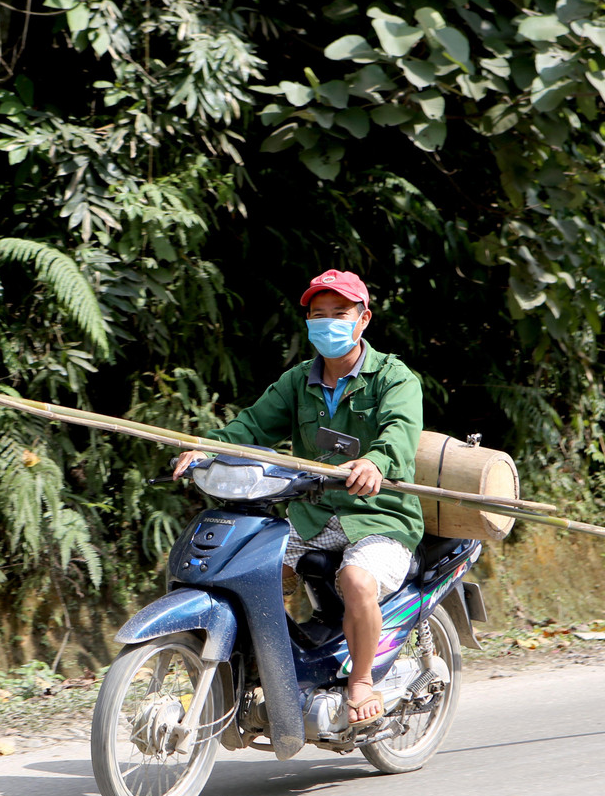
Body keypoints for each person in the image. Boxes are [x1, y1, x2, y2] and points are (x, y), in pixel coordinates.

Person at [172, 269, 424, 727]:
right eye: (318, 314)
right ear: (307, 321)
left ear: (363, 318)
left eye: (340, 314)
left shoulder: (394, 378)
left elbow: (399, 436)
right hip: (311, 515)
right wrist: (207, 448)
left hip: (379, 516)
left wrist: (375, 464)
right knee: (254, 571)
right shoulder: (297, 382)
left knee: (356, 581)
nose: (328, 322)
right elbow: (247, 428)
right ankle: (273, 669)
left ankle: (362, 680)